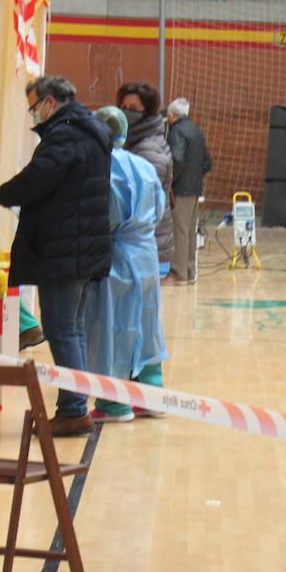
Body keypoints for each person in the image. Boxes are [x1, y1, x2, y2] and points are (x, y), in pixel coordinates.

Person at [0, 76, 112, 438]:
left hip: (64, 250)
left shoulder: (66, 134)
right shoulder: (89, 130)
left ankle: (74, 410)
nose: (34, 115)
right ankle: (74, 405)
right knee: (71, 331)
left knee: (62, 331)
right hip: (82, 248)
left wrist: (3, 192)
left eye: (34, 107)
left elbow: (38, 178)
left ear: (49, 101)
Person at [85, 107, 169, 422]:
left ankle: (114, 403)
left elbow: (102, 214)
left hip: (115, 254)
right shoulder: (144, 167)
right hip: (146, 253)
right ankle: (151, 394)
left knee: (112, 327)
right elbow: (159, 210)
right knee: (148, 324)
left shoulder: (100, 167)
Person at [116, 81, 175, 278]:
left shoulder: (149, 148)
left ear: (147, 112)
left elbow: (145, 204)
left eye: (133, 108)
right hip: (138, 246)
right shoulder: (134, 142)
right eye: (123, 108)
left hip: (146, 246)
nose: (126, 112)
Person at [165, 97, 212, 286]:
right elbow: (207, 162)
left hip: (181, 190)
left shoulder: (176, 131)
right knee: (189, 231)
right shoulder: (196, 130)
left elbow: (176, 159)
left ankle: (178, 273)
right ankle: (190, 271)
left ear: (170, 115)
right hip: (194, 189)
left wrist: (171, 182)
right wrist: (194, 177)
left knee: (179, 232)